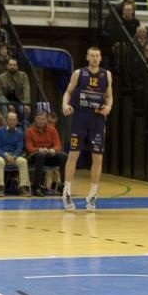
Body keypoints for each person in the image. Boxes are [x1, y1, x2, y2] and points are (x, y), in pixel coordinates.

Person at [61, 47, 113, 211]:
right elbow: (68, 92)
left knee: (97, 157)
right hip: (80, 117)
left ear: (100, 57)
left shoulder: (107, 75)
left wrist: (109, 107)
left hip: (97, 119)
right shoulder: (79, 73)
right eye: (92, 55)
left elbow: (109, 96)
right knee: (73, 153)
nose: (95, 58)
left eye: (97, 55)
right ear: (87, 57)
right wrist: (65, 104)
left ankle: (92, 196)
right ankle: (67, 192)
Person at [0, 110, 31, 197]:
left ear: (16, 121)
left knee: (23, 161)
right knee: (0, 161)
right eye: (10, 120)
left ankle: (23, 187)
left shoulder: (19, 133)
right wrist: (5, 155)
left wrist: (15, 156)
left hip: (13, 156)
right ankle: (0, 187)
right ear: (6, 121)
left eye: (14, 120)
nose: (12, 122)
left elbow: (19, 148)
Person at [26, 111, 66, 195]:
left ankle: (63, 185)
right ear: (35, 119)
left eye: (43, 119)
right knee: (41, 155)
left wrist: (53, 150)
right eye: (38, 119)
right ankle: (36, 187)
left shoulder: (52, 130)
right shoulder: (29, 131)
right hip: (35, 156)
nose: (40, 121)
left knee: (63, 156)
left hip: (49, 155)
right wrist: (39, 149)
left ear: (46, 120)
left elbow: (58, 145)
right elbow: (29, 148)